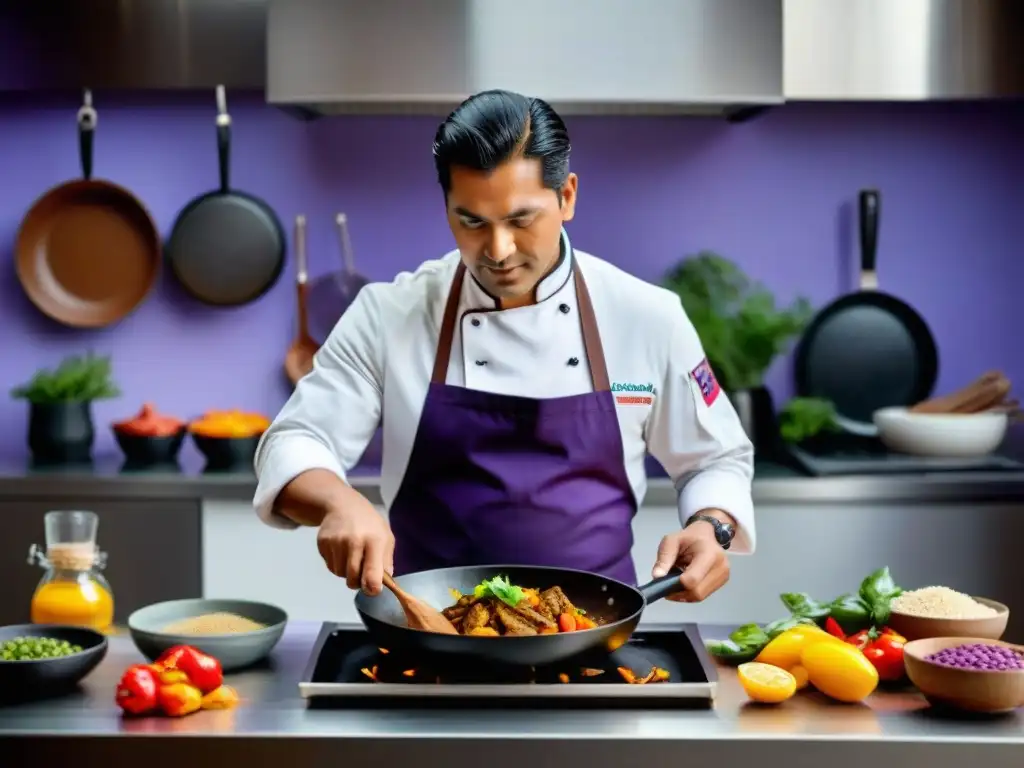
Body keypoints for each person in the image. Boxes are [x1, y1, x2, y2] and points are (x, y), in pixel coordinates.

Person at [253, 89, 755, 603]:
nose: (498, 251)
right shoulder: (389, 315)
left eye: (520, 220)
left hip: (592, 636)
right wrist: (339, 502)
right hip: (428, 639)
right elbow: (294, 442)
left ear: (567, 197)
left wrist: (711, 525)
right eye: (471, 221)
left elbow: (714, 459)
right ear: (446, 207)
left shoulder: (646, 317)